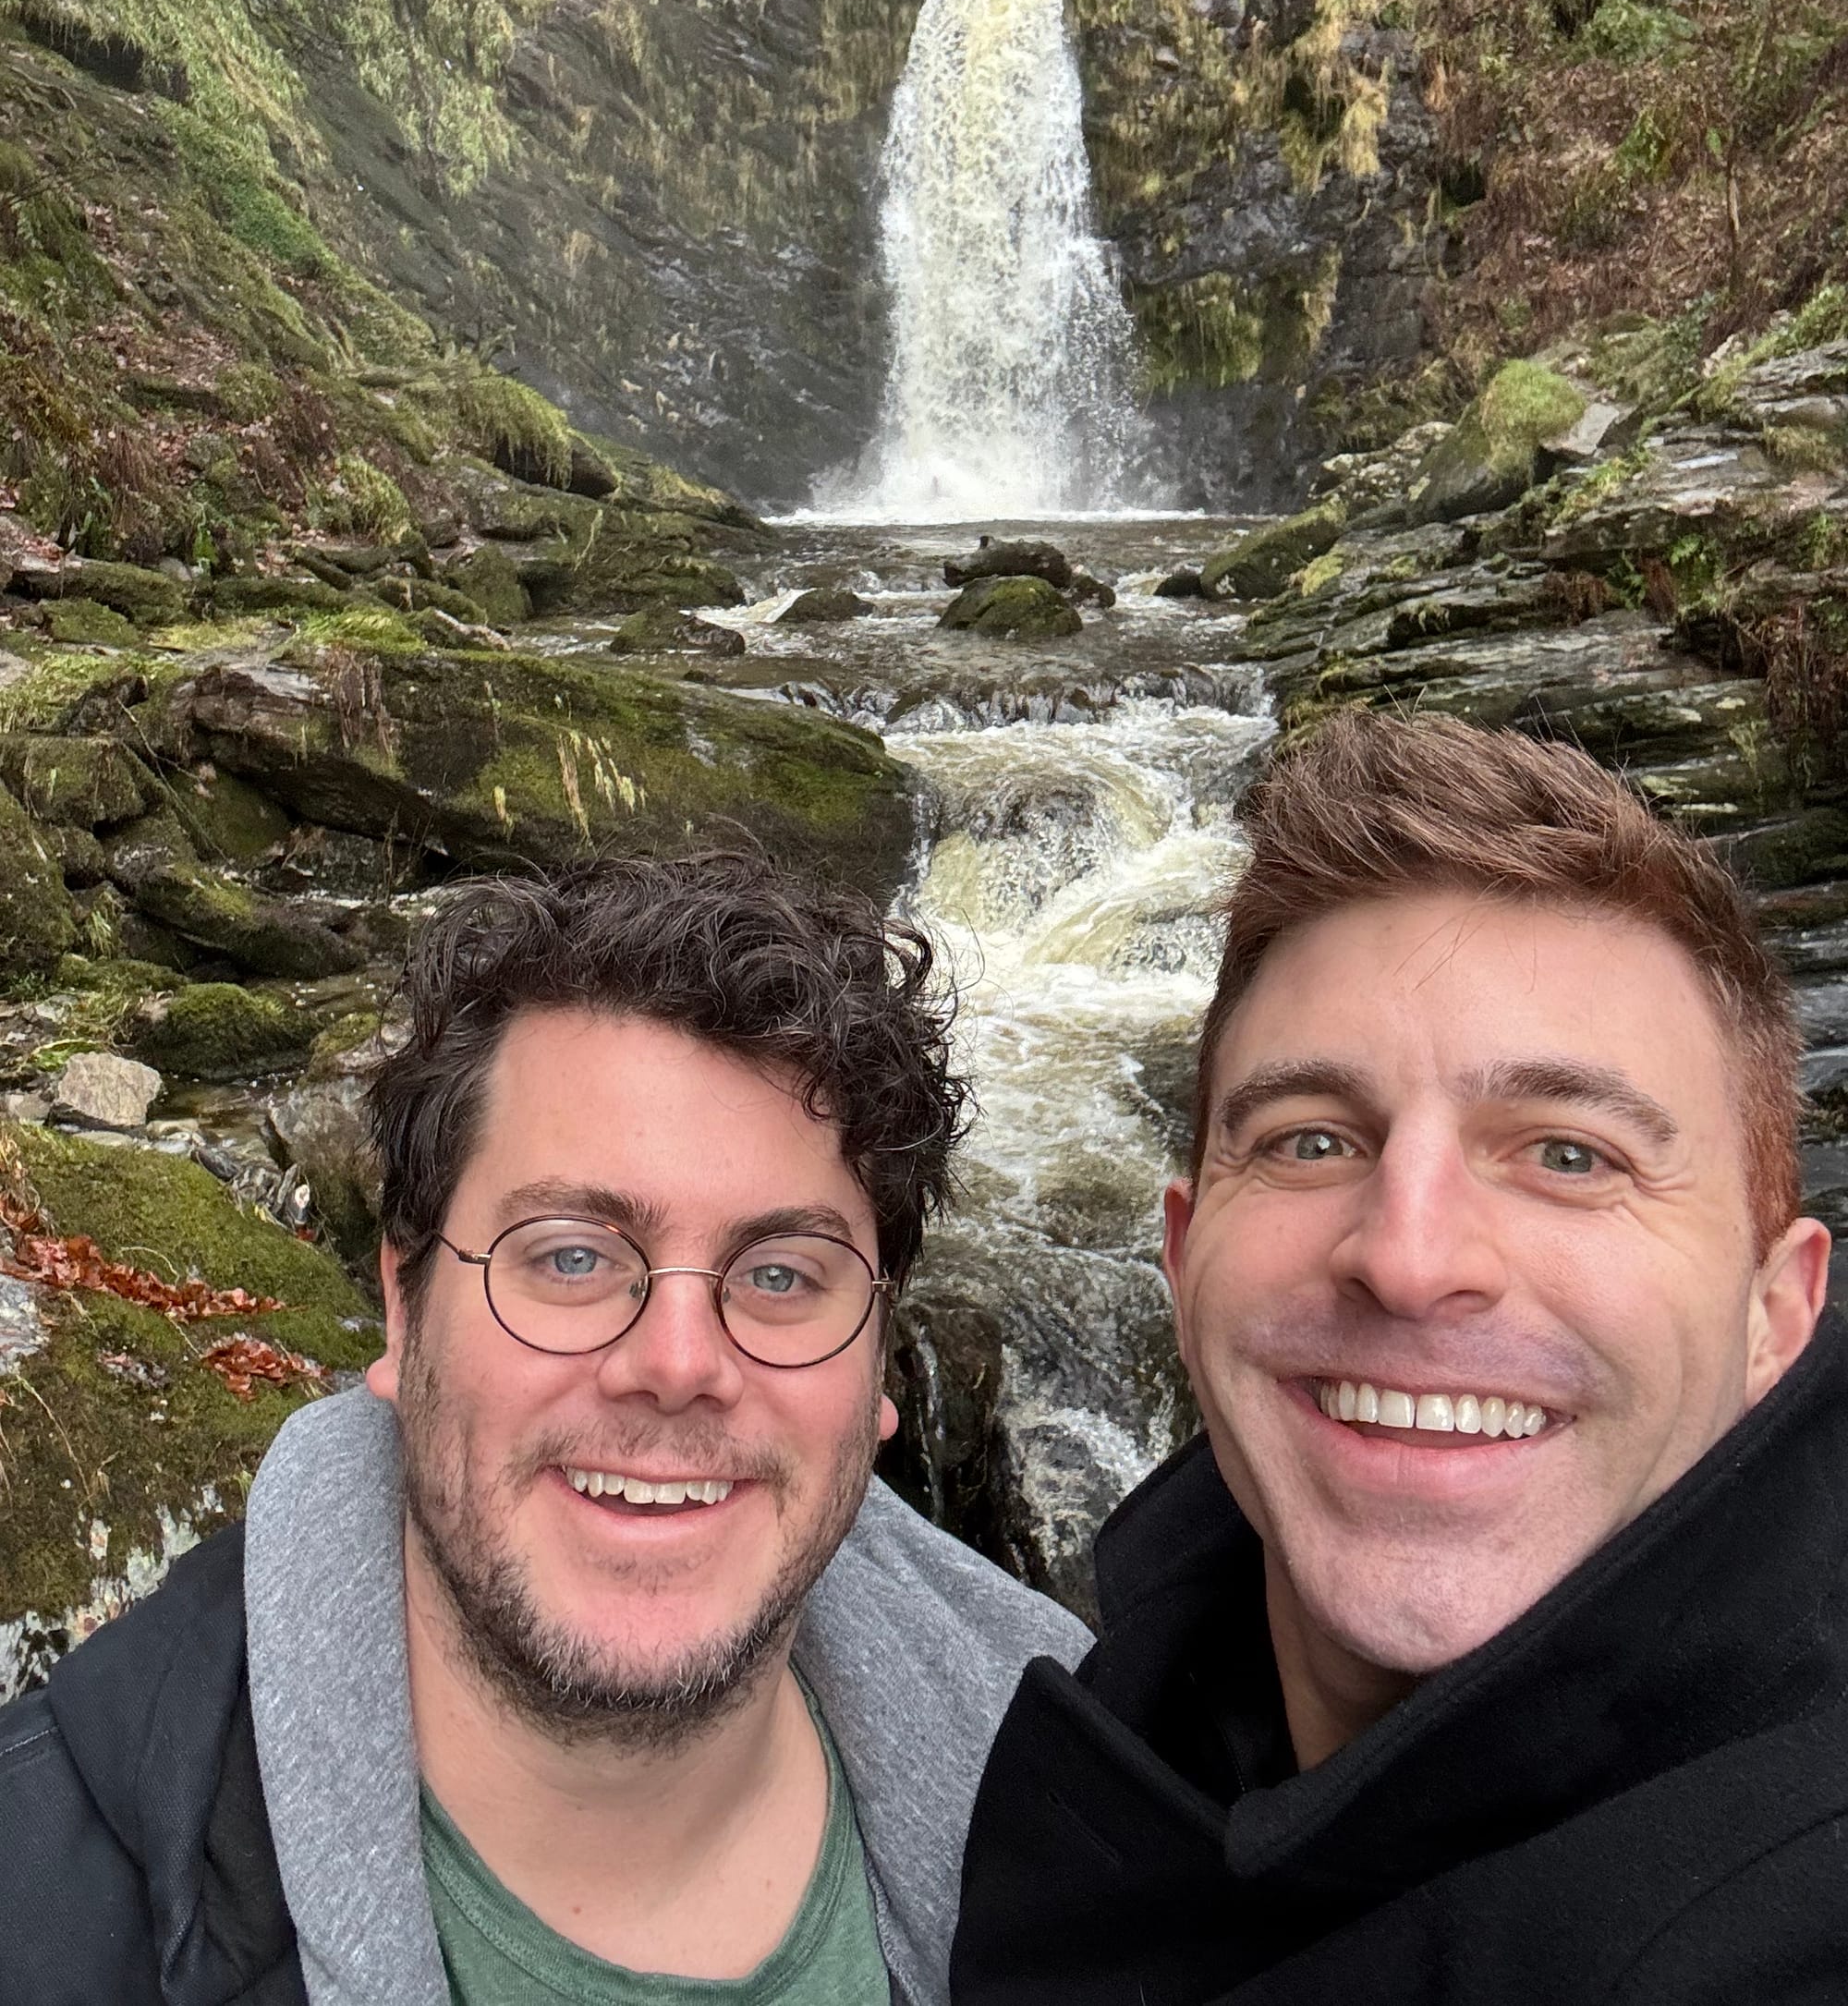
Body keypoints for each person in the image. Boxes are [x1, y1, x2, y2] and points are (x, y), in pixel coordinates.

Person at [0, 850, 1089, 2006]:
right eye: (571, 1256)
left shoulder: (1108, 1827)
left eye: (779, 1274)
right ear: (402, 1307)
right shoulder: (39, 1899)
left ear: (878, 1363)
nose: (676, 1364)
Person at [953, 710, 1848, 2006]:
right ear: (1185, 1252)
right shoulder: (1133, 1703)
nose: (1410, 1254)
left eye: (1568, 1152)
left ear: (1779, 1314)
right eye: (1313, 1139)